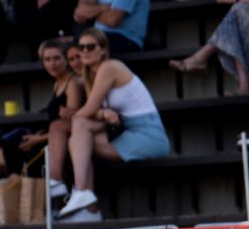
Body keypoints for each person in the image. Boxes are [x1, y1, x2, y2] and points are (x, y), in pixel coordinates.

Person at [58, 28, 170, 219]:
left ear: (103, 49)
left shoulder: (110, 67)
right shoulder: (91, 75)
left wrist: (84, 114)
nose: (84, 51)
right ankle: (86, 201)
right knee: (80, 138)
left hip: (149, 135)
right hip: (129, 130)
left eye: (90, 47)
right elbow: (97, 114)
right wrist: (102, 113)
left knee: (79, 131)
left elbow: (88, 111)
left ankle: (83, 195)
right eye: (81, 47)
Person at [0, 38, 86, 188]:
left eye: (57, 58)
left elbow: (72, 125)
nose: (52, 63)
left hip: (61, 145)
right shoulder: (57, 83)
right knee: (2, 151)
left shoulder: (73, 84)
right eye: (47, 59)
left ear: (66, 59)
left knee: (9, 154)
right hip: (48, 138)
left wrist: (38, 140)